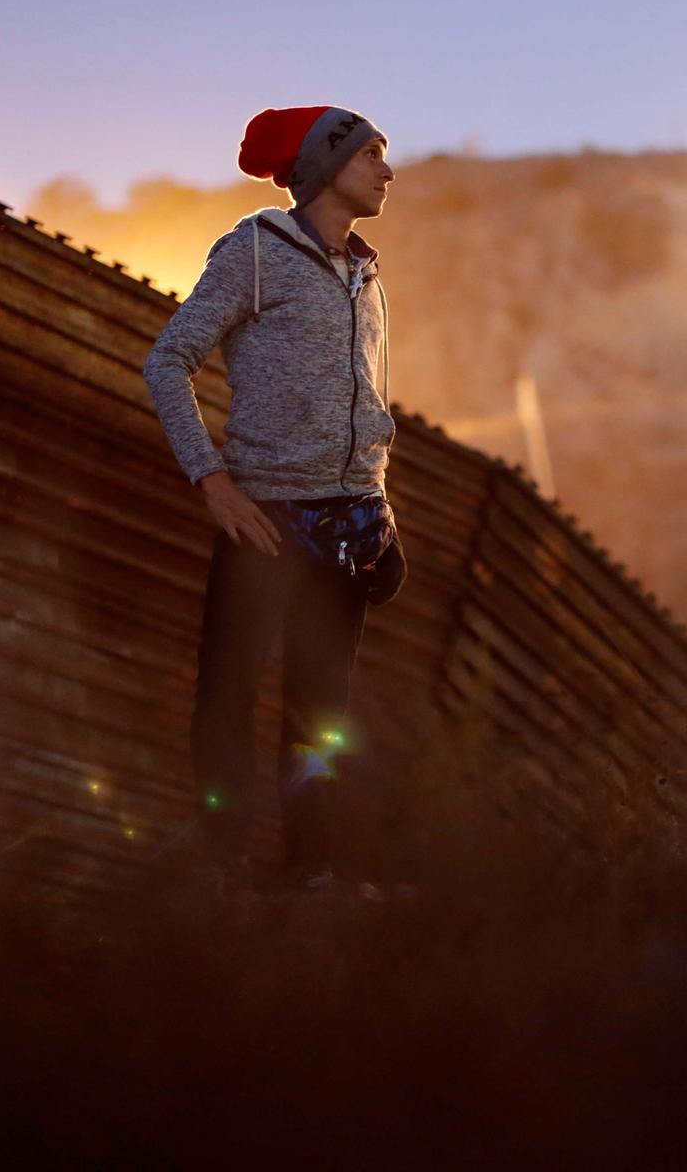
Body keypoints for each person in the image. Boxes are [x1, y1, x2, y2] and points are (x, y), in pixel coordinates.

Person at [142, 104, 407, 892]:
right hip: (266, 521)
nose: (388, 172)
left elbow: (368, 402)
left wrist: (380, 506)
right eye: (372, 156)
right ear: (326, 168)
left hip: (353, 524)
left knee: (319, 712)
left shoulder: (366, 274)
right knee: (226, 696)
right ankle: (222, 867)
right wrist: (212, 480)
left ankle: (310, 876)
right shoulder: (254, 254)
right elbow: (167, 363)